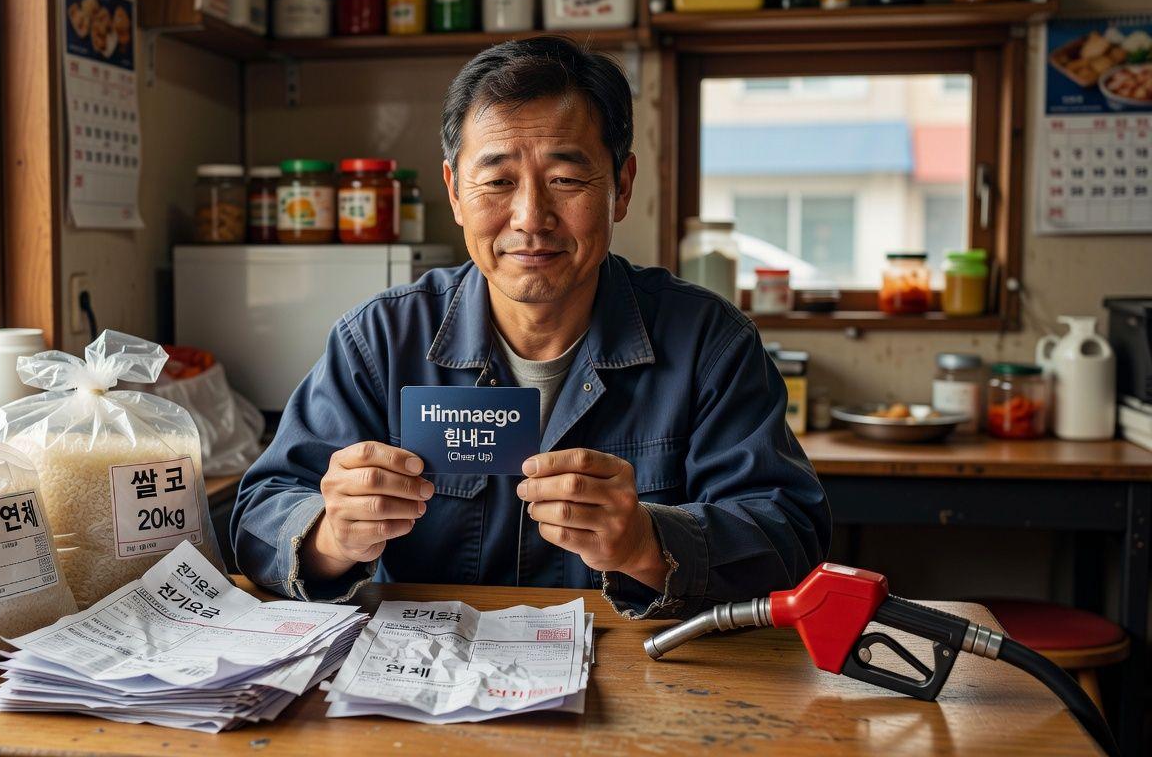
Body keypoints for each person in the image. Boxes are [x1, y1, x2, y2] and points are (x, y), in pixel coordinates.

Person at [231, 36, 829, 619]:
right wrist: (330, 537)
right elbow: (259, 514)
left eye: (566, 180)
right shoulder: (382, 340)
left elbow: (792, 535)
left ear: (621, 187)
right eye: (497, 181)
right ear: (455, 193)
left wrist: (649, 542)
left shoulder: (708, 342)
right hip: (422, 685)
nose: (530, 219)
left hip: (641, 681)